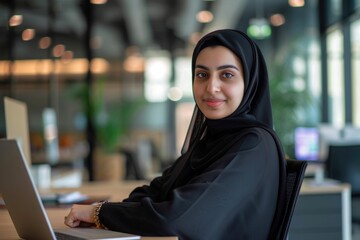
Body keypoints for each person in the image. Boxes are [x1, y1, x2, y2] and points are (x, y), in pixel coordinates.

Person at [64, 29, 286, 240]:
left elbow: (175, 218)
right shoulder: (213, 140)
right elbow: (154, 193)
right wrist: (102, 213)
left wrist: (99, 214)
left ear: (250, 83)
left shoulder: (253, 145)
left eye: (227, 75)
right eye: (202, 74)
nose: (211, 87)